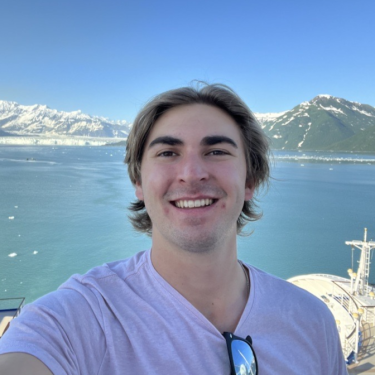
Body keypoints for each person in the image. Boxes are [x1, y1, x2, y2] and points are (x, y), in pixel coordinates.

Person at [0, 83, 348, 374]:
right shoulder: (80, 319)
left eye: (216, 151)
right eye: (167, 153)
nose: (192, 173)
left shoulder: (312, 322)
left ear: (250, 179)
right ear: (138, 181)